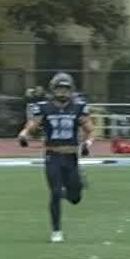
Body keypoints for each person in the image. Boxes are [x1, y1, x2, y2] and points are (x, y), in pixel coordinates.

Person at [16, 73, 94, 242]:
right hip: (53, 156)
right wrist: (24, 134)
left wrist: (88, 143)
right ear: (53, 89)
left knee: (75, 198)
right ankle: (56, 231)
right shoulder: (44, 107)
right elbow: (32, 125)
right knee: (55, 193)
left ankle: (70, 189)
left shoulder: (78, 107)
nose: (63, 92)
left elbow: (89, 129)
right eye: (59, 88)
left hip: (71, 157)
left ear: (71, 90)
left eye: (66, 89)